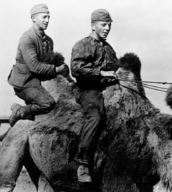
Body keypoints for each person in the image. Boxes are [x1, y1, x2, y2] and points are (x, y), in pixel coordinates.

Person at [70, 9, 119, 182]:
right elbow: (75, 69)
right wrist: (101, 73)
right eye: (103, 25)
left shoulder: (109, 49)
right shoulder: (82, 44)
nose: (107, 28)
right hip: (87, 90)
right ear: (93, 25)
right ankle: (82, 163)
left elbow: (115, 68)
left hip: (106, 89)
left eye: (109, 25)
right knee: (96, 116)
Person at [7, 4, 69, 127]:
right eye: (44, 17)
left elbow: (47, 62)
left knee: (32, 120)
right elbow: (34, 66)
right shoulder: (27, 38)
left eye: (48, 17)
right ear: (34, 18)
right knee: (47, 103)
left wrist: (65, 72)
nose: (47, 21)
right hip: (24, 83)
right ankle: (19, 111)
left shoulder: (48, 40)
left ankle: (23, 116)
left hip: (36, 80)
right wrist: (56, 69)